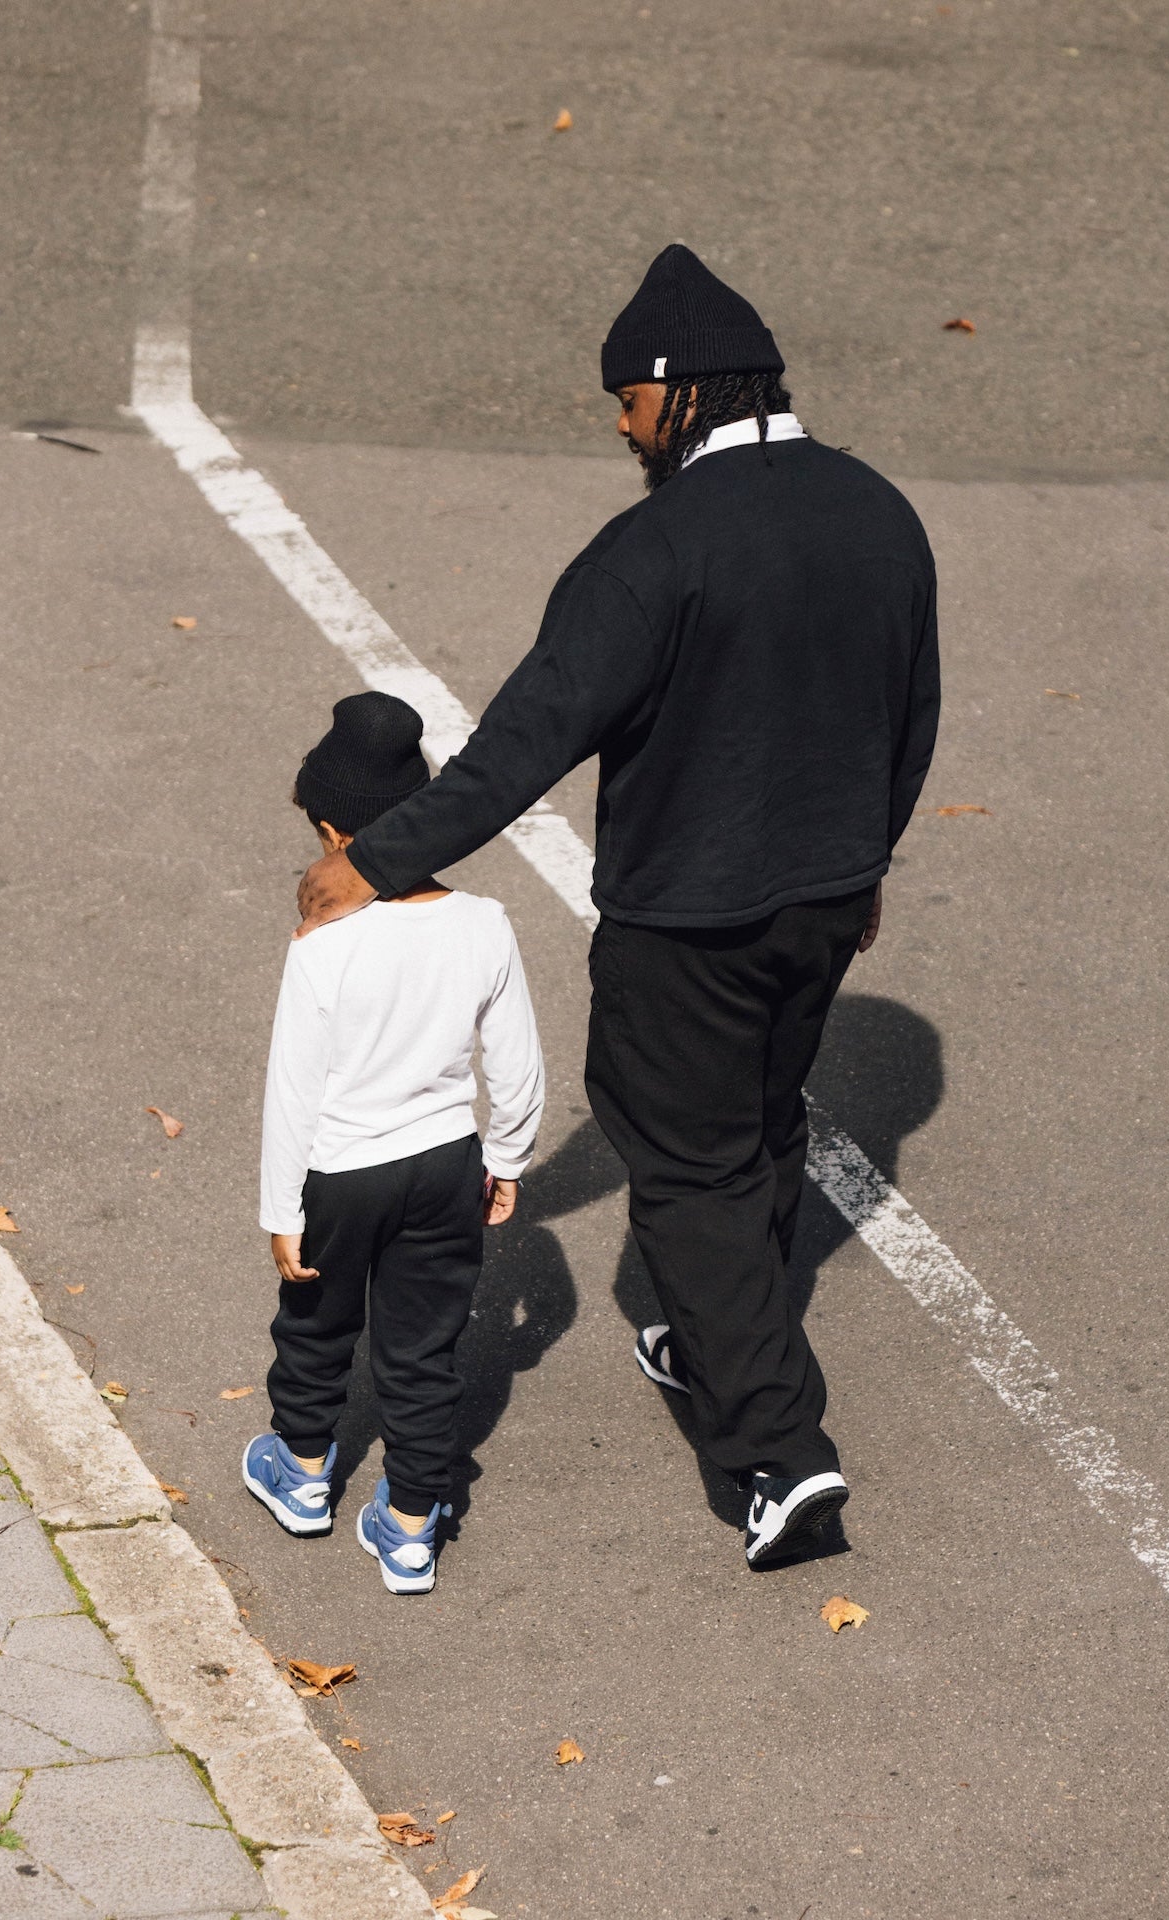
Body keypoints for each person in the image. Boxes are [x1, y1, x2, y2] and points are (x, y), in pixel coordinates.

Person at [295, 245, 940, 1570]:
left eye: (628, 399)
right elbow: (909, 717)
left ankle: (778, 1453)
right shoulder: (879, 513)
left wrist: (375, 857)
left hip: (686, 923)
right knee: (754, 1120)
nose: (620, 422)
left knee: (684, 1159)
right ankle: (709, 1331)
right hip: (824, 901)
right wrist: (865, 862)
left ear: (681, 389)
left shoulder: (655, 549)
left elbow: (525, 741)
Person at [244, 691, 544, 1593]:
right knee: (421, 1348)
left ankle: (302, 1472)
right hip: (444, 1164)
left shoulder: (323, 941)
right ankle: (411, 1522)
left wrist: (280, 1210)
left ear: (335, 832)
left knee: (318, 1324)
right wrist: (508, 1158)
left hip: (342, 1171)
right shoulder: (483, 925)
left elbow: (293, 1089)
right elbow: (517, 1063)